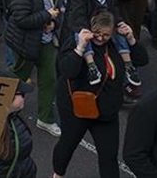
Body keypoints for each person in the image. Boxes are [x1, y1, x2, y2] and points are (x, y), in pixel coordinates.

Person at [52, 11, 148, 178]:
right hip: (77, 109)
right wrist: (80, 49)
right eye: (97, 33)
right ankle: (57, 175)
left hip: (106, 112)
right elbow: (66, 70)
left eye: (106, 35)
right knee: (67, 145)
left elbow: (142, 60)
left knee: (109, 156)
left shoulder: (117, 45)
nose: (101, 38)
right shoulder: (76, 41)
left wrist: (131, 39)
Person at [6, 0, 61, 138]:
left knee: (49, 79)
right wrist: (46, 17)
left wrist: (54, 23)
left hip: (43, 41)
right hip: (25, 43)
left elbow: (54, 13)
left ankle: (45, 117)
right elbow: (21, 19)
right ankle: (3, 107)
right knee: (18, 78)